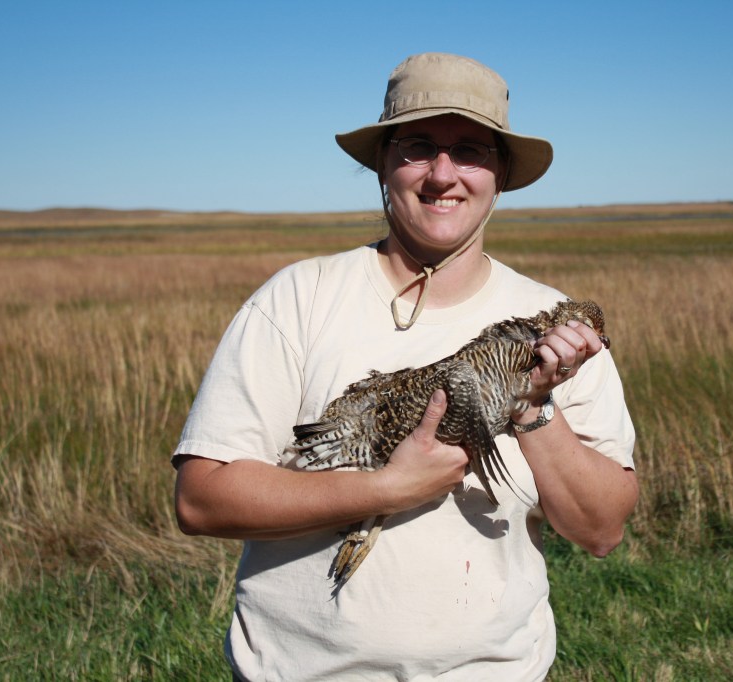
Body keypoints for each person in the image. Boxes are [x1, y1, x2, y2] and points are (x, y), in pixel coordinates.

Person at [173, 52, 638, 681]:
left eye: (471, 151)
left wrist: (530, 402)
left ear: (500, 175)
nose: (443, 174)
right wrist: (386, 489)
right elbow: (202, 502)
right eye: (419, 147)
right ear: (383, 165)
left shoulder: (556, 332)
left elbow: (601, 529)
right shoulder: (298, 299)